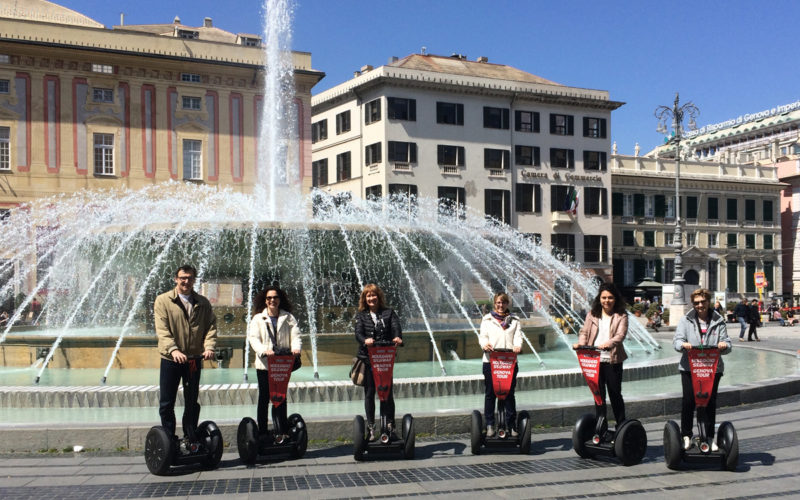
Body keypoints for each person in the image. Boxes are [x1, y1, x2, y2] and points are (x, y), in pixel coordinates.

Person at [154, 265, 217, 444]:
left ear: (194, 280)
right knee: (167, 402)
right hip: (170, 359)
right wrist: (173, 349)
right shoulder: (163, 301)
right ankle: (169, 439)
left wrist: (209, 347)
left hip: (193, 359)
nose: (186, 281)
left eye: (189, 278)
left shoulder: (203, 303)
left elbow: (211, 327)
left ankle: (190, 436)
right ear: (176, 279)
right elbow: (162, 330)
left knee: (192, 402)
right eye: (182, 278)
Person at [673, 288, 731, 451]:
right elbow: (677, 340)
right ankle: (686, 435)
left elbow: (727, 342)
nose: (700, 305)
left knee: (709, 402)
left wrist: (723, 345)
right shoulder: (686, 320)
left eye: (703, 302)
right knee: (689, 401)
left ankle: (709, 436)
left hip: (712, 368)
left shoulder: (718, 320)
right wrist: (682, 345)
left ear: (708, 301)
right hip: (689, 368)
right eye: (696, 302)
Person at [247, 286, 302, 440]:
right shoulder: (258, 318)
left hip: (282, 364)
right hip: (265, 365)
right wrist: (263, 350)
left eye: (275, 297)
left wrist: (296, 348)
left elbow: (296, 335)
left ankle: (282, 429)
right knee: (264, 397)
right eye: (269, 298)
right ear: (265, 301)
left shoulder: (288, 317)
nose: (272, 300)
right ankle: (263, 431)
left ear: (280, 299)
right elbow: (253, 338)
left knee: (281, 397)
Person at [574, 282, 629, 429]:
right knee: (598, 396)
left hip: (612, 359)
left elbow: (620, 335)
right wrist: (581, 344)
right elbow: (584, 332)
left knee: (615, 393)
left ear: (615, 298)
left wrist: (608, 344)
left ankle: (621, 424)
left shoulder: (621, 315)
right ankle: (601, 426)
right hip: (594, 360)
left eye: (610, 297)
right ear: (599, 298)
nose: (607, 301)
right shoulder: (592, 315)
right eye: (604, 297)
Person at [354, 284, 403, 441]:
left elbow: (396, 327)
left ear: (379, 296)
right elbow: (358, 333)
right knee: (369, 393)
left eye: (373, 295)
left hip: (384, 360)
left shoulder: (389, 313)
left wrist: (397, 337)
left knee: (387, 393)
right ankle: (371, 428)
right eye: (368, 296)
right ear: (364, 299)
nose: (371, 298)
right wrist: (364, 340)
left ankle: (390, 425)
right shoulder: (361, 315)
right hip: (368, 360)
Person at [479, 292, 522, 437]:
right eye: (498, 302)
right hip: (491, 361)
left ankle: (511, 424)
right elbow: (483, 336)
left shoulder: (514, 320)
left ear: (507, 304)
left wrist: (517, 346)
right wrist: (485, 345)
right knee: (490, 394)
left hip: (509, 362)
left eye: (503, 302)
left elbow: (518, 337)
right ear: (494, 304)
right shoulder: (487, 319)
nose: (500, 305)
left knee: (509, 394)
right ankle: (490, 424)